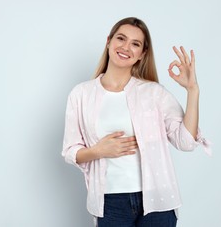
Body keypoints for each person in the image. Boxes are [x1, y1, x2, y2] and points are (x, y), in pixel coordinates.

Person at [62, 17, 211, 227]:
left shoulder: (154, 93)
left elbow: (185, 142)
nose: (126, 47)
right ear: (108, 41)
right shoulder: (81, 94)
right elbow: (70, 150)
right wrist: (99, 150)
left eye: (135, 44)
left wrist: (192, 91)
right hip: (110, 202)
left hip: (158, 200)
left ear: (142, 54)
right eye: (121, 38)